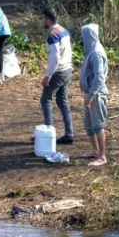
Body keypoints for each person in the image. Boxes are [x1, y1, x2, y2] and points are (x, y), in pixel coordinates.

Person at [40, 8, 75, 144]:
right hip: (67, 70)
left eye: (43, 19)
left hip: (58, 72)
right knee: (63, 102)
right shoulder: (63, 30)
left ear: (48, 20)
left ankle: (48, 134)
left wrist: (48, 76)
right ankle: (69, 133)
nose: (42, 21)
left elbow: (55, 58)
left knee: (46, 100)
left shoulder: (52, 35)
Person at [79, 23, 109, 167]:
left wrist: (91, 94)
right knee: (89, 124)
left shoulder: (96, 53)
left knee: (98, 126)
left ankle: (102, 157)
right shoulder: (91, 50)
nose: (81, 39)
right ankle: (95, 151)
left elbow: (99, 77)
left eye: (83, 36)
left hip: (96, 95)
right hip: (90, 93)